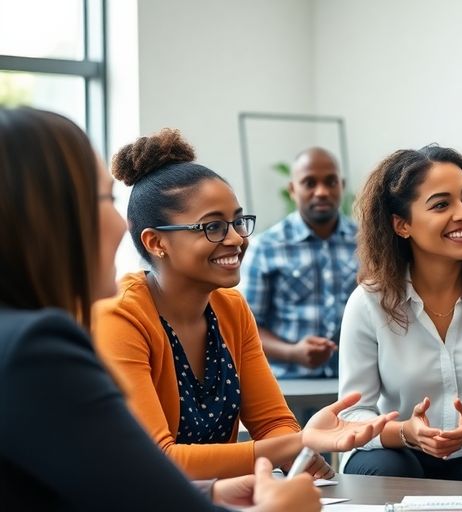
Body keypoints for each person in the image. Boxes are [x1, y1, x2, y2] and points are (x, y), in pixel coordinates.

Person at [0, 106, 342, 511]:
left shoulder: (229, 307)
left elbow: (116, 486)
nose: (116, 221)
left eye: (236, 222)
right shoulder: (39, 346)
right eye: (103, 199)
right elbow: (147, 472)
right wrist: (290, 476)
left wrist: (212, 490)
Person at [93, 129, 394, 480]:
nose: (237, 238)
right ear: (156, 242)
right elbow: (160, 461)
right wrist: (301, 442)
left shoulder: (231, 308)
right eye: (214, 227)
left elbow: (273, 423)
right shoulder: (120, 316)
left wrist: (310, 471)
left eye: (237, 222)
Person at [338, 145, 462, 484]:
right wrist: (405, 432)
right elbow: (352, 414)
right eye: (441, 205)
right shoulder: (368, 302)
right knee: (389, 469)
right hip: (397, 453)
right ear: (402, 225)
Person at [242, 147, 358, 379]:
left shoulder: (367, 244)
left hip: (354, 383)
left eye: (330, 182)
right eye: (309, 183)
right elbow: (246, 329)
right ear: (293, 190)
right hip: (288, 385)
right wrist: (292, 352)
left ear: (342, 186)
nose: (322, 192)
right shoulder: (266, 247)